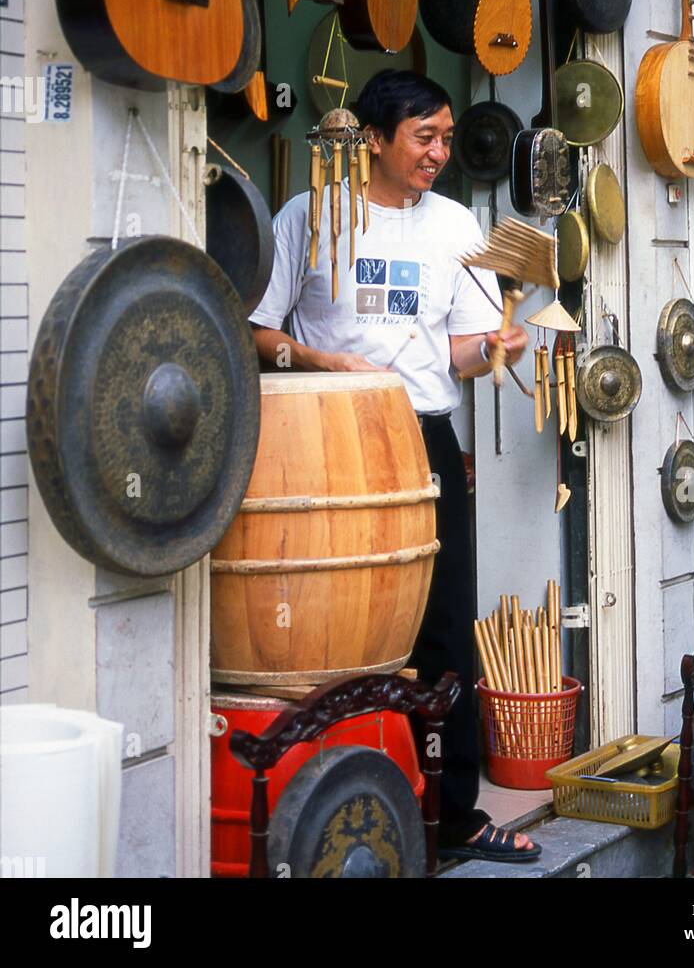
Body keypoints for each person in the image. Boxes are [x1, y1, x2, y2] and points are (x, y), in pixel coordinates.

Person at [249, 71, 540, 864]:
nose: (440, 153)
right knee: (335, 629)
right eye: (424, 137)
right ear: (372, 139)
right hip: (328, 435)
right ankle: (334, 812)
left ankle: (455, 814)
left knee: (445, 627)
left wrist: (496, 347)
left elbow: (459, 354)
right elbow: (256, 332)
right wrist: (315, 359)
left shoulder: (455, 226)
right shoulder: (310, 215)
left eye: (446, 137)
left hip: (425, 438)